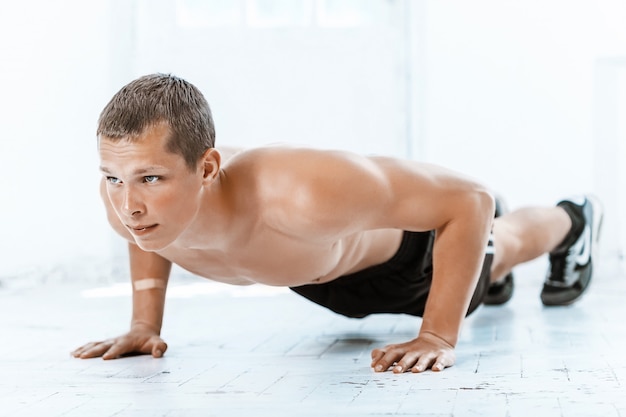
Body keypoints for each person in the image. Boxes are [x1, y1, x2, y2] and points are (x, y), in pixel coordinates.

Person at [72, 73, 603, 374]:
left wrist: (439, 334)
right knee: (484, 247)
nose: (128, 205)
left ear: (206, 168)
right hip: (318, 279)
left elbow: (470, 197)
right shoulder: (126, 199)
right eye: (114, 178)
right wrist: (146, 324)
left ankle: (572, 218)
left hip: (404, 260)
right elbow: (146, 238)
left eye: (150, 178)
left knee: (499, 242)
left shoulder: (298, 191)